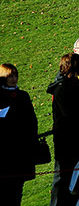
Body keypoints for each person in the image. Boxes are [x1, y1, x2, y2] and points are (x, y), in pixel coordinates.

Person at [48, 53, 79, 206]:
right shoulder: (62, 88)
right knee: (62, 177)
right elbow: (70, 115)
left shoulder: (76, 84)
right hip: (67, 139)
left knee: (77, 176)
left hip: (77, 137)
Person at [0, 63, 39, 206]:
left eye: (15, 75)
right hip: (5, 154)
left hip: (21, 152)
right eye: (10, 76)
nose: (14, 78)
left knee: (17, 191)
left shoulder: (23, 95)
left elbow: (32, 121)